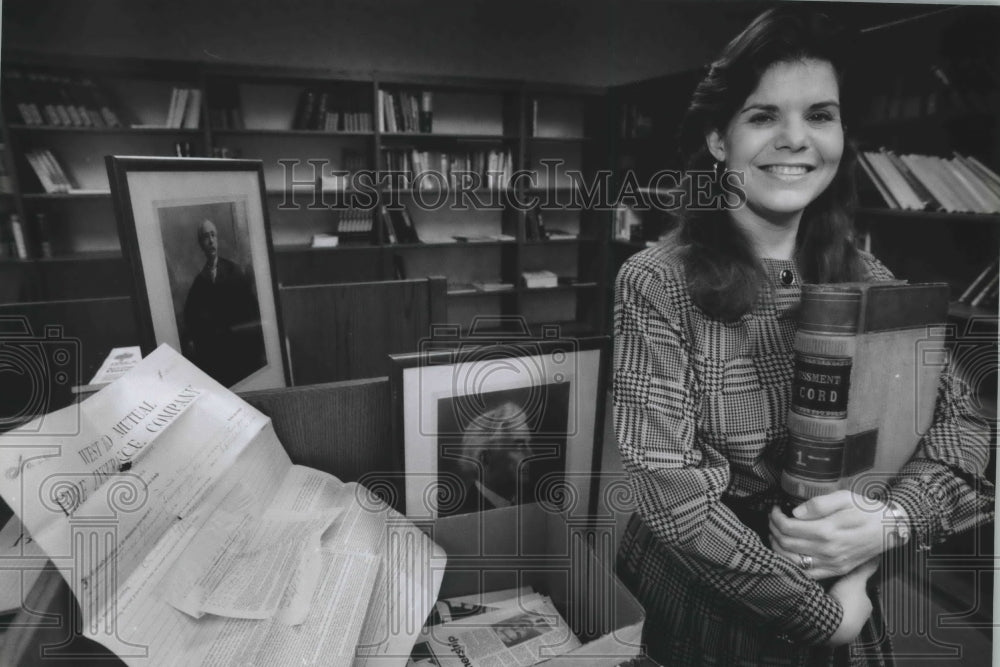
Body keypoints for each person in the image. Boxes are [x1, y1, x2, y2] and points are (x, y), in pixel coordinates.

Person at [612, 7, 993, 666]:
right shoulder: (656, 282)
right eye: (763, 116)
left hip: (852, 574)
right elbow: (668, 492)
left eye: (820, 115)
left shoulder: (870, 277)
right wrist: (825, 614)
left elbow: (966, 425)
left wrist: (894, 518)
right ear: (718, 139)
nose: (795, 139)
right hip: (713, 605)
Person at [182, 219, 266, 387]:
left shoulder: (235, 271)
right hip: (215, 353)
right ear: (201, 244)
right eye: (205, 237)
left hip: (239, 348)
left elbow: (252, 312)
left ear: (218, 240)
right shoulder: (199, 282)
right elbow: (191, 317)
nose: (210, 241)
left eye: (213, 235)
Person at [447, 401, 544, 516]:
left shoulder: (528, 507)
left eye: (528, 445)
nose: (530, 455)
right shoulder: (466, 517)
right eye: (519, 446)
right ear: (485, 459)